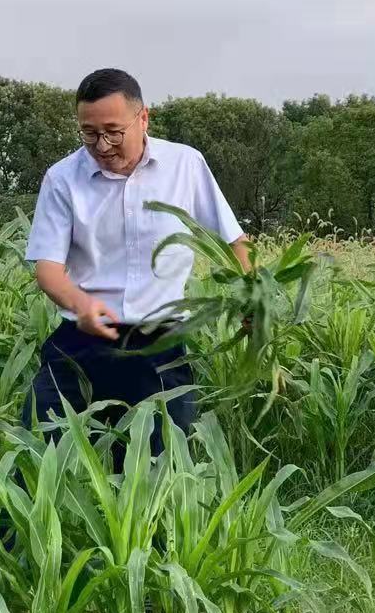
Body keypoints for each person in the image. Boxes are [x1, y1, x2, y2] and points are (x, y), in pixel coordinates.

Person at [22, 67, 247, 466]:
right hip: (82, 340)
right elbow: (48, 268)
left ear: (143, 118)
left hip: (161, 346)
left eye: (112, 131)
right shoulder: (61, 179)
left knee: (159, 470)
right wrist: (81, 305)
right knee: (37, 457)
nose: (102, 144)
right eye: (88, 133)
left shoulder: (186, 165)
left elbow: (232, 242)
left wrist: (251, 296)